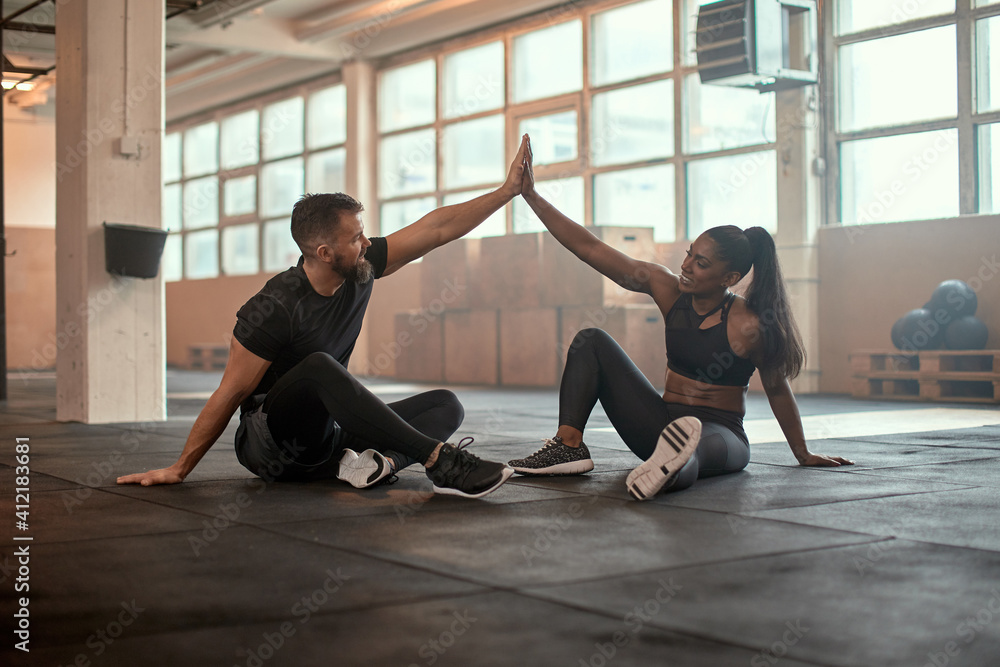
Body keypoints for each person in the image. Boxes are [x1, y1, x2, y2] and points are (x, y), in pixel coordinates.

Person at [117, 137, 532, 499]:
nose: (366, 242)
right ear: (324, 253)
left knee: (445, 404)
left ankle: (378, 464)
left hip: (328, 438)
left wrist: (506, 192)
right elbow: (229, 393)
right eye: (355, 238)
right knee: (318, 367)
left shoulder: (360, 267)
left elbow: (437, 228)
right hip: (273, 447)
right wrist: (180, 468)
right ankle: (440, 460)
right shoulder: (274, 306)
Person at [507, 136, 853, 500]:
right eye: (689, 254)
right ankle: (569, 446)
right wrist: (532, 197)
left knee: (693, 450)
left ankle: (667, 471)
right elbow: (591, 249)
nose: (686, 265)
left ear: (729, 278)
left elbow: (778, 388)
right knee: (590, 341)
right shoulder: (667, 288)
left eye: (700, 263)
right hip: (660, 423)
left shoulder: (747, 324)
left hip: (721, 435)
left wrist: (803, 453)